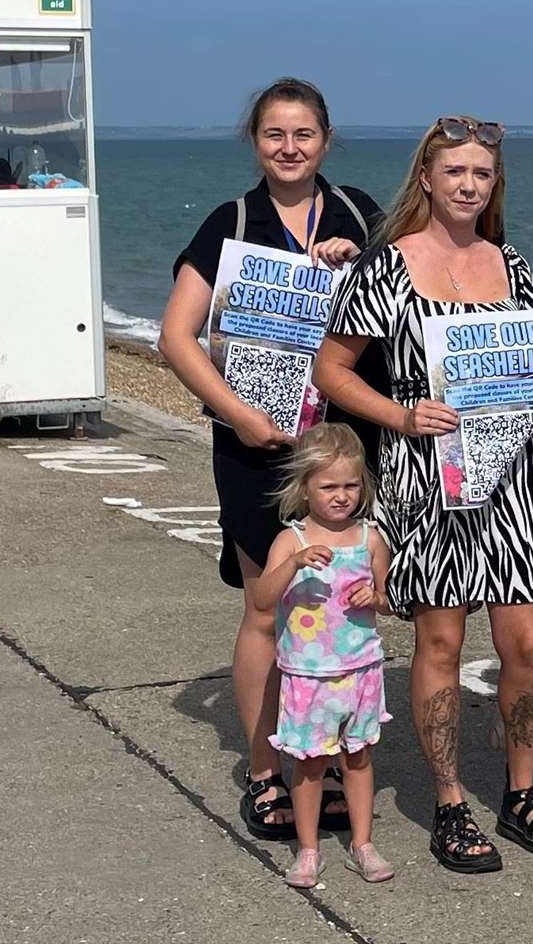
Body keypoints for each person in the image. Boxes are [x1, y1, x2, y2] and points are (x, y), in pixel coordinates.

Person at [315, 116, 533, 873]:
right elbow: (333, 371)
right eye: (454, 171)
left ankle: (524, 793)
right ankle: (450, 802)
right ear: (425, 178)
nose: (468, 185)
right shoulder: (385, 267)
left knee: (525, 644)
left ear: (494, 185)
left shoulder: (515, 266)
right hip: (427, 477)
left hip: (510, 478)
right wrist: (400, 415)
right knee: (440, 642)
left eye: (482, 174)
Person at [160, 78, 383, 843]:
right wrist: (238, 415)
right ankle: (264, 770)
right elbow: (176, 338)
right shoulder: (232, 223)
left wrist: (357, 263)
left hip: (343, 448)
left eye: (303, 135)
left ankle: (322, 757)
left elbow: (403, 304)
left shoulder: (357, 212)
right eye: (274, 135)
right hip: (257, 446)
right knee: (268, 608)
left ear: (326, 138)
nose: (289, 148)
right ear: (254, 142)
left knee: (338, 601)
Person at [254, 423, 395, 888]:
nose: (341, 496)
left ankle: (363, 842)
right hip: (308, 674)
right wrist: (293, 564)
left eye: (351, 485)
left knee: (358, 758)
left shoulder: (370, 538)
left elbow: (389, 600)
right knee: (309, 763)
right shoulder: (290, 540)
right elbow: (262, 600)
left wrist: (373, 599)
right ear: (305, 488)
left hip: (359, 669)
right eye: (328, 486)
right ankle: (308, 849)